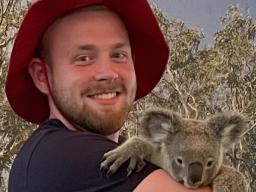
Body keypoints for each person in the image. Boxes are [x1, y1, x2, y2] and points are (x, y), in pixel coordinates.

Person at [6, 0, 212, 191]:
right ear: (42, 76)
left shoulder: (127, 150)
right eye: (84, 58)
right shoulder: (59, 156)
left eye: (118, 55)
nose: (108, 72)